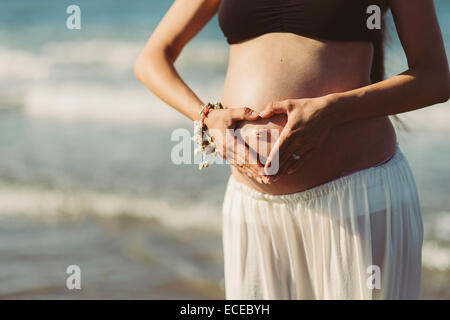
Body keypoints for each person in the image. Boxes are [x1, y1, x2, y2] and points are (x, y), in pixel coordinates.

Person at [134, 0, 450, 299]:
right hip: (252, 209)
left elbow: (434, 77)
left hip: (355, 199)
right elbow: (153, 58)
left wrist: (332, 110)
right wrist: (207, 117)